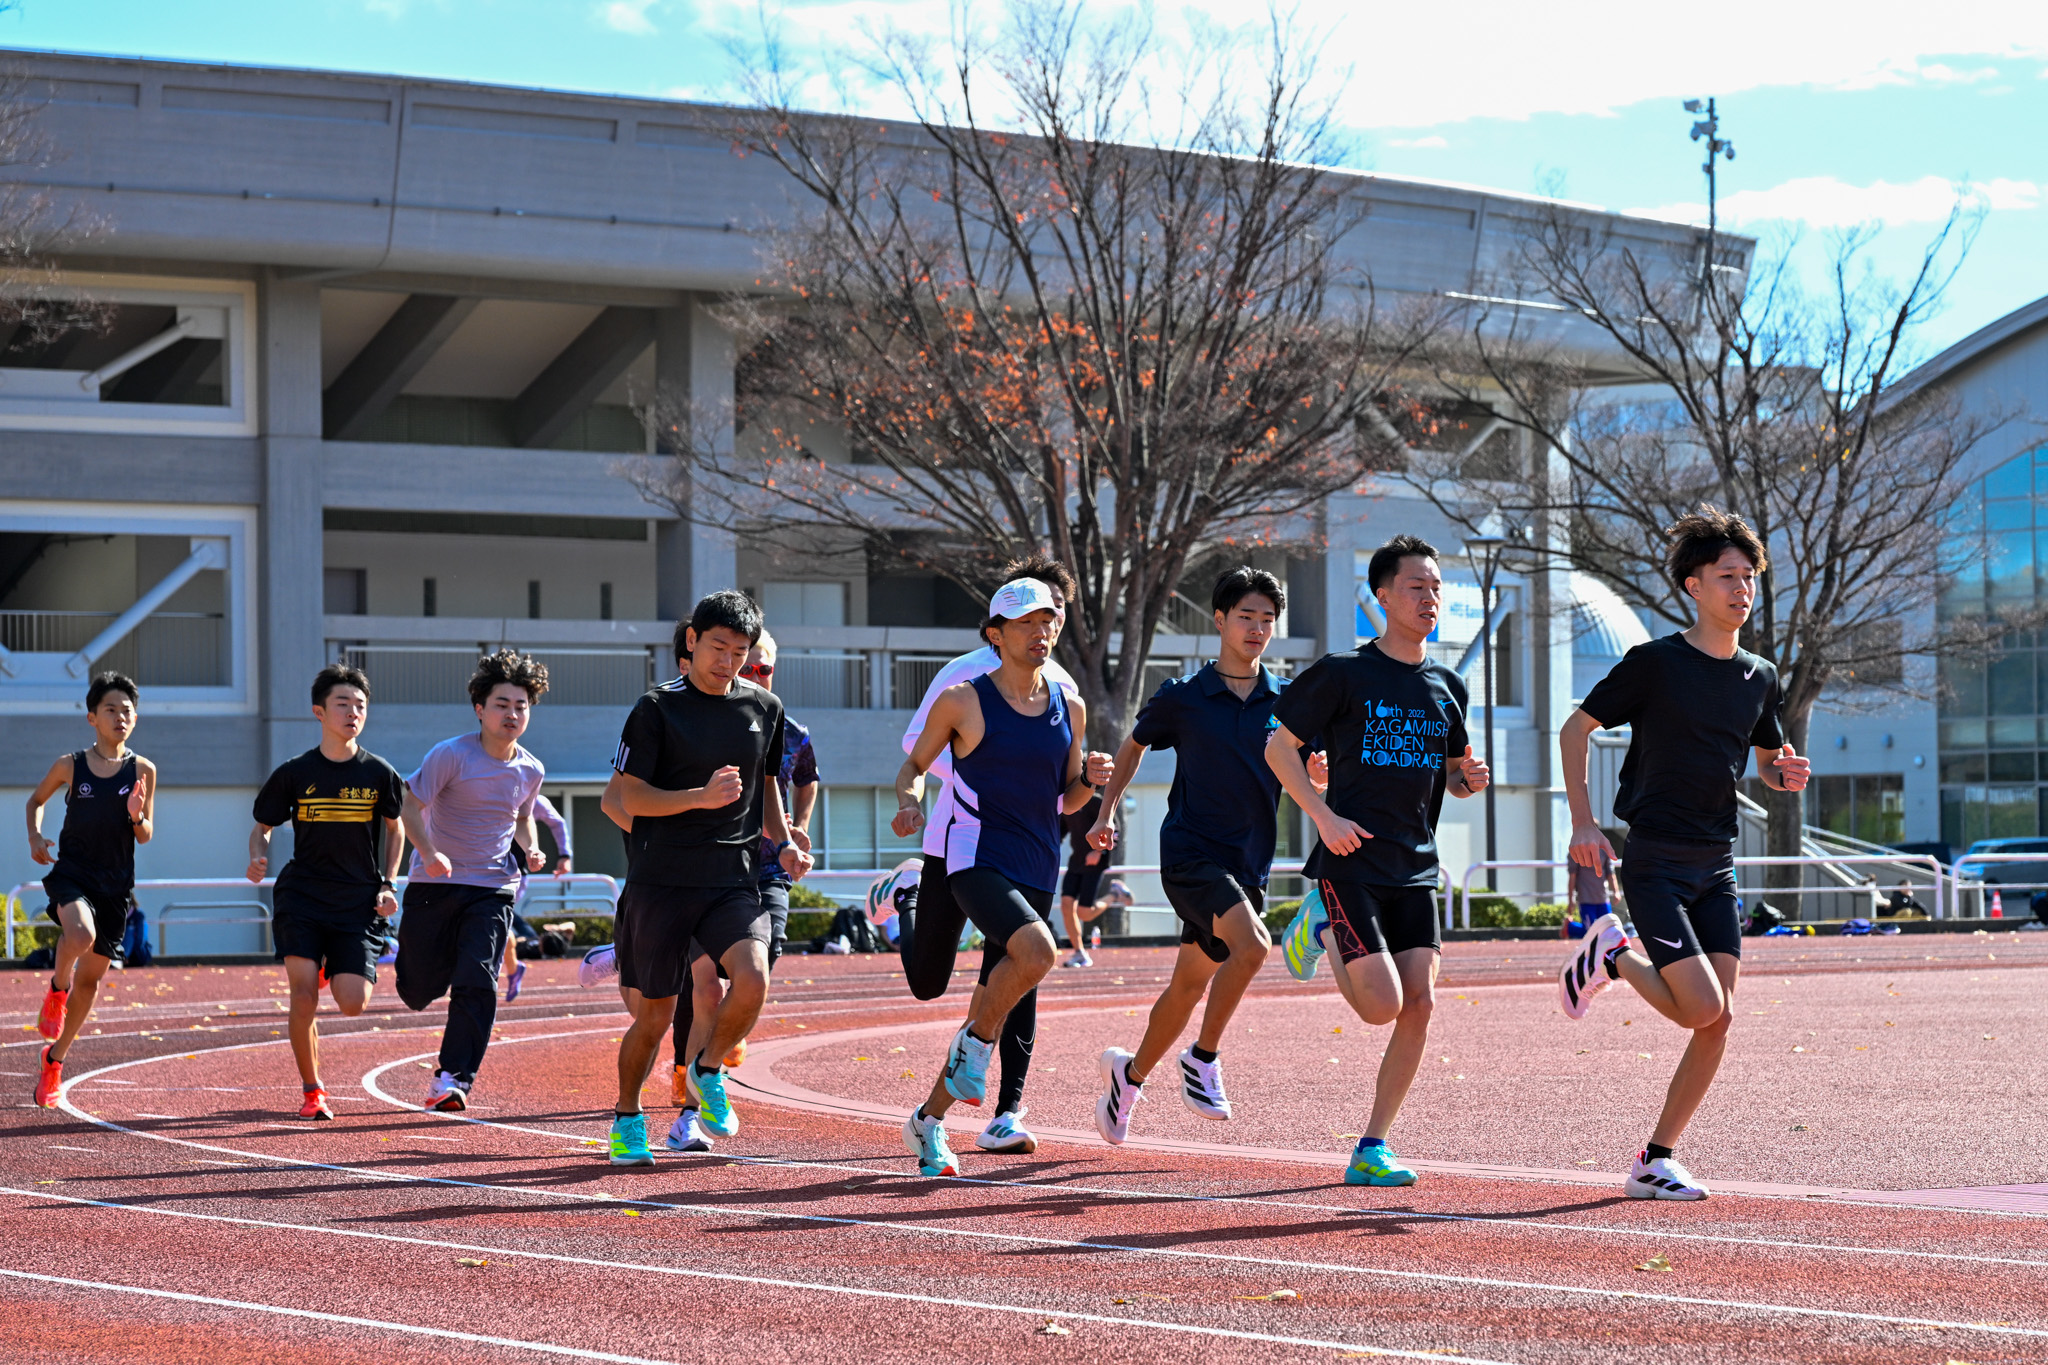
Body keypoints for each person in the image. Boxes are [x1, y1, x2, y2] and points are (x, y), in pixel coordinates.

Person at [1556, 508, 1808, 1201]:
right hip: (1656, 858)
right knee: (1701, 1007)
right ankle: (1612, 952)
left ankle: (1655, 1157)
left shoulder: (1759, 674)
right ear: (1693, 586)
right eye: (1728, 576)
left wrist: (1781, 773)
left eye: (1749, 577)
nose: (1742, 588)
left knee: (1718, 1017)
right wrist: (1585, 822)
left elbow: (1763, 755)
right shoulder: (1655, 664)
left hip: (1716, 861)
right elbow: (1574, 729)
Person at [1266, 535, 1489, 1187]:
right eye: (1416, 586)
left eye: (1437, 587)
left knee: (1419, 1005)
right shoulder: (1344, 673)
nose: (1430, 597)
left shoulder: (1448, 686)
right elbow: (1280, 749)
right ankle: (1320, 919)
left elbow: (1451, 776)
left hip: (1417, 866)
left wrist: (1469, 776)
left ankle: (1371, 1145)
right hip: (1351, 860)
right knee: (1379, 1006)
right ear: (1383, 596)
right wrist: (1322, 815)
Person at [1091, 567, 1328, 1146]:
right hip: (1190, 854)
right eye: (1245, 617)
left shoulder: (1290, 700)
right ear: (1220, 620)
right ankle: (1203, 1058)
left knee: (1188, 985)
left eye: (1268, 620)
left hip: (1249, 863)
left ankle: (1130, 1075)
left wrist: (1320, 780)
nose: (1257, 629)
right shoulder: (1184, 697)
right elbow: (1133, 745)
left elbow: (1311, 774)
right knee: (1254, 946)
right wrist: (1106, 810)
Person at [892, 553, 1109, 1157]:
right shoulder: (964, 695)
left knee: (1013, 985)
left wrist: (1091, 782)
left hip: (1038, 855)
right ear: (995, 633)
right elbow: (912, 761)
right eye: (1026, 623)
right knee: (1033, 951)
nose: (1041, 631)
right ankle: (973, 1051)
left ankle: (933, 1117)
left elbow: (1067, 801)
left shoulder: (1072, 702)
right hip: (971, 851)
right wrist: (912, 801)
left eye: (1049, 621)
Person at [605, 591, 813, 1167]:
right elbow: (627, 795)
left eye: (740, 651)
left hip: (732, 877)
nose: (728, 661)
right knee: (654, 1017)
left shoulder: (763, 708)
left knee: (754, 977)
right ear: (692, 641)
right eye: (718, 647)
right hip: (662, 881)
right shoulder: (655, 709)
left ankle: (707, 1067)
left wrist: (785, 841)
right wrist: (699, 797)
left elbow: (767, 783)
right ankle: (627, 1117)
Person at [669, 628, 819, 1110]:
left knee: (763, 959)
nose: (752, 675)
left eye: (762, 668)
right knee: (703, 985)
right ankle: (683, 1072)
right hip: (707, 871)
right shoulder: (702, 723)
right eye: (744, 666)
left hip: (767, 869)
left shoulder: (789, 730)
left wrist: (796, 830)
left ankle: (732, 1025)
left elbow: (806, 780)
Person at [395, 649, 550, 1113]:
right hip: (434, 884)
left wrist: (531, 846)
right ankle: (428, 981)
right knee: (417, 989)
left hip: (492, 887)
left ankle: (453, 1077)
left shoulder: (531, 769)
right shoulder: (451, 755)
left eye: (521, 706)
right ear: (480, 709)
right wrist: (428, 852)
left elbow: (522, 817)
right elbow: (408, 804)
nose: (512, 714)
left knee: (477, 978)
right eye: (502, 704)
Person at [247, 664, 405, 1120]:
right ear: (319, 712)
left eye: (360, 705)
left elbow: (395, 831)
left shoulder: (379, 772)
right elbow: (263, 827)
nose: (353, 712)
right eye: (343, 704)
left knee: (353, 1003)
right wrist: (258, 855)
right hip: (303, 897)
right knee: (303, 996)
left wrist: (388, 881)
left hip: (357, 901)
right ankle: (312, 1090)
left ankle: (327, 967)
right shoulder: (295, 773)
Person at [24, 672, 156, 1108]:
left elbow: (146, 835)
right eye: (111, 710)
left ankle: (54, 1061)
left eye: (127, 710)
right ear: (92, 718)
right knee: (79, 936)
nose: (121, 717)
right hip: (73, 873)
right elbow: (35, 802)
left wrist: (137, 815)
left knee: (93, 983)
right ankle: (56, 989)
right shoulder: (70, 765)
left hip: (115, 886)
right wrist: (36, 838)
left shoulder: (142, 770)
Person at [502, 792, 572, 1004]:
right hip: (476, 867)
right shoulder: (483, 790)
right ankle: (512, 969)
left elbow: (558, 823)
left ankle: (493, 975)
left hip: (514, 874)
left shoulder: (535, 802)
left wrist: (564, 855)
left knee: (494, 920)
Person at [1057, 795, 1114, 968]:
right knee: (1066, 905)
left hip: (1095, 864)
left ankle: (1114, 895)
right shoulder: (1066, 803)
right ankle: (1079, 952)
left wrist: (1099, 852)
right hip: (1075, 863)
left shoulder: (1096, 802)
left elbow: (1113, 829)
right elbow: (1059, 831)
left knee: (1084, 913)